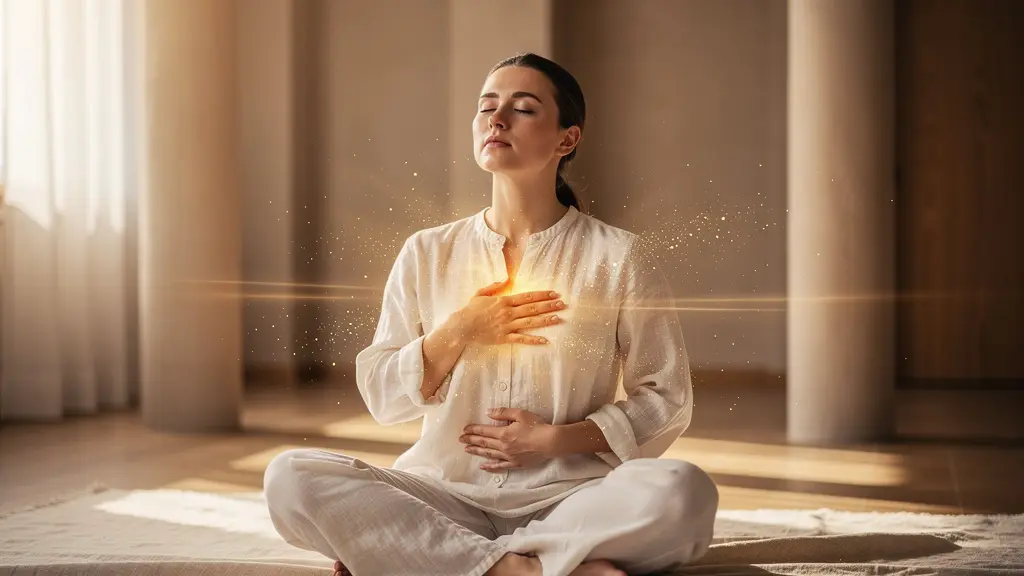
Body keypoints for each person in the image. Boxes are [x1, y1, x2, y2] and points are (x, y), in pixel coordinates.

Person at [263, 53, 719, 576]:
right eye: (487, 107)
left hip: (571, 499)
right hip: (440, 495)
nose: (496, 120)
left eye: (522, 109)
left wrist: (555, 439)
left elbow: (668, 398)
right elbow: (383, 395)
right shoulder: (426, 251)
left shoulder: (618, 257)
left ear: (567, 140)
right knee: (290, 478)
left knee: (683, 492)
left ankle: (434, 560)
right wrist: (460, 329)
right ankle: (532, 568)